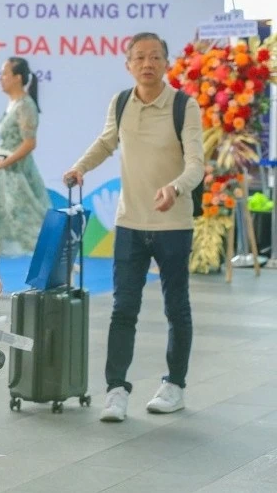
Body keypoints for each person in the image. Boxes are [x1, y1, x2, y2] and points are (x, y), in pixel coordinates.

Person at [63, 32, 203, 422]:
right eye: (139, 57)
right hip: (129, 223)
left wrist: (175, 188)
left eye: (155, 56)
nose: (147, 63)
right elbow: (107, 142)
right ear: (128, 65)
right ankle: (115, 390)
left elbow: (196, 163)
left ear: (166, 63)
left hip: (173, 224)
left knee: (177, 307)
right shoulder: (121, 102)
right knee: (124, 309)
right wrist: (80, 167)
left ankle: (174, 384)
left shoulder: (183, 106)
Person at [0, 57, 51, 262]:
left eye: (4, 74)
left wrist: (6, 162)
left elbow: (29, 143)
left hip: (18, 176)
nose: (0, 78)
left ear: (18, 78)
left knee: (30, 225)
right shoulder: (13, 104)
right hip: (4, 176)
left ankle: (61, 270)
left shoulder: (25, 105)